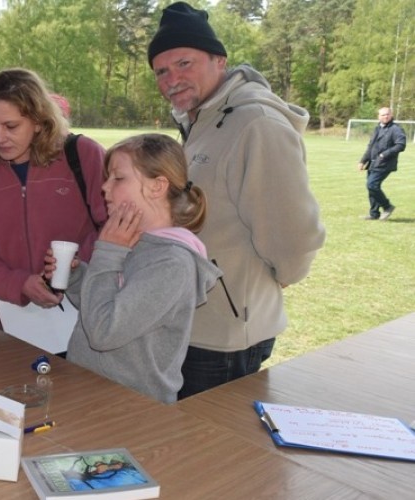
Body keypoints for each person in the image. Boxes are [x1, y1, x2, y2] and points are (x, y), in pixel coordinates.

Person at [147, 2, 326, 398]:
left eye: (184, 63)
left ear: (219, 61)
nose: (172, 79)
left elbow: (294, 235)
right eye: (161, 71)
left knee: (210, 436)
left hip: (226, 335)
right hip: (192, 324)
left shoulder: (256, 124)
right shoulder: (203, 121)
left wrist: (274, 280)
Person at [50, 134, 221, 404]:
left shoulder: (172, 263)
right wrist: (75, 276)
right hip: (90, 392)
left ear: (157, 186)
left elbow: (103, 332)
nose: (104, 187)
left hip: (131, 407)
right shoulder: (131, 240)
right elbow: (103, 306)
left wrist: (108, 252)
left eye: (118, 178)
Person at [0, 68, 108, 325]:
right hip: (17, 319)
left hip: (85, 311)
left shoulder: (83, 155)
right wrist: (19, 284)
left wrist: (75, 266)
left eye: (11, 126)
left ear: (38, 121)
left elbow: (115, 224)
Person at [358, 107, 406, 220]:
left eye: (387, 114)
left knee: (372, 185)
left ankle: (387, 206)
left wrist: (384, 154)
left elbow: (401, 145)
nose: (385, 116)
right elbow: (371, 146)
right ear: (378, 116)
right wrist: (363, 161)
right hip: (373, 163)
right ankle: (374, 214)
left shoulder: (396, 129)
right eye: (383, 115)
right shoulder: (377, 128)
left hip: (385, 163)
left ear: (391, 115)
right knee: (372, 188)